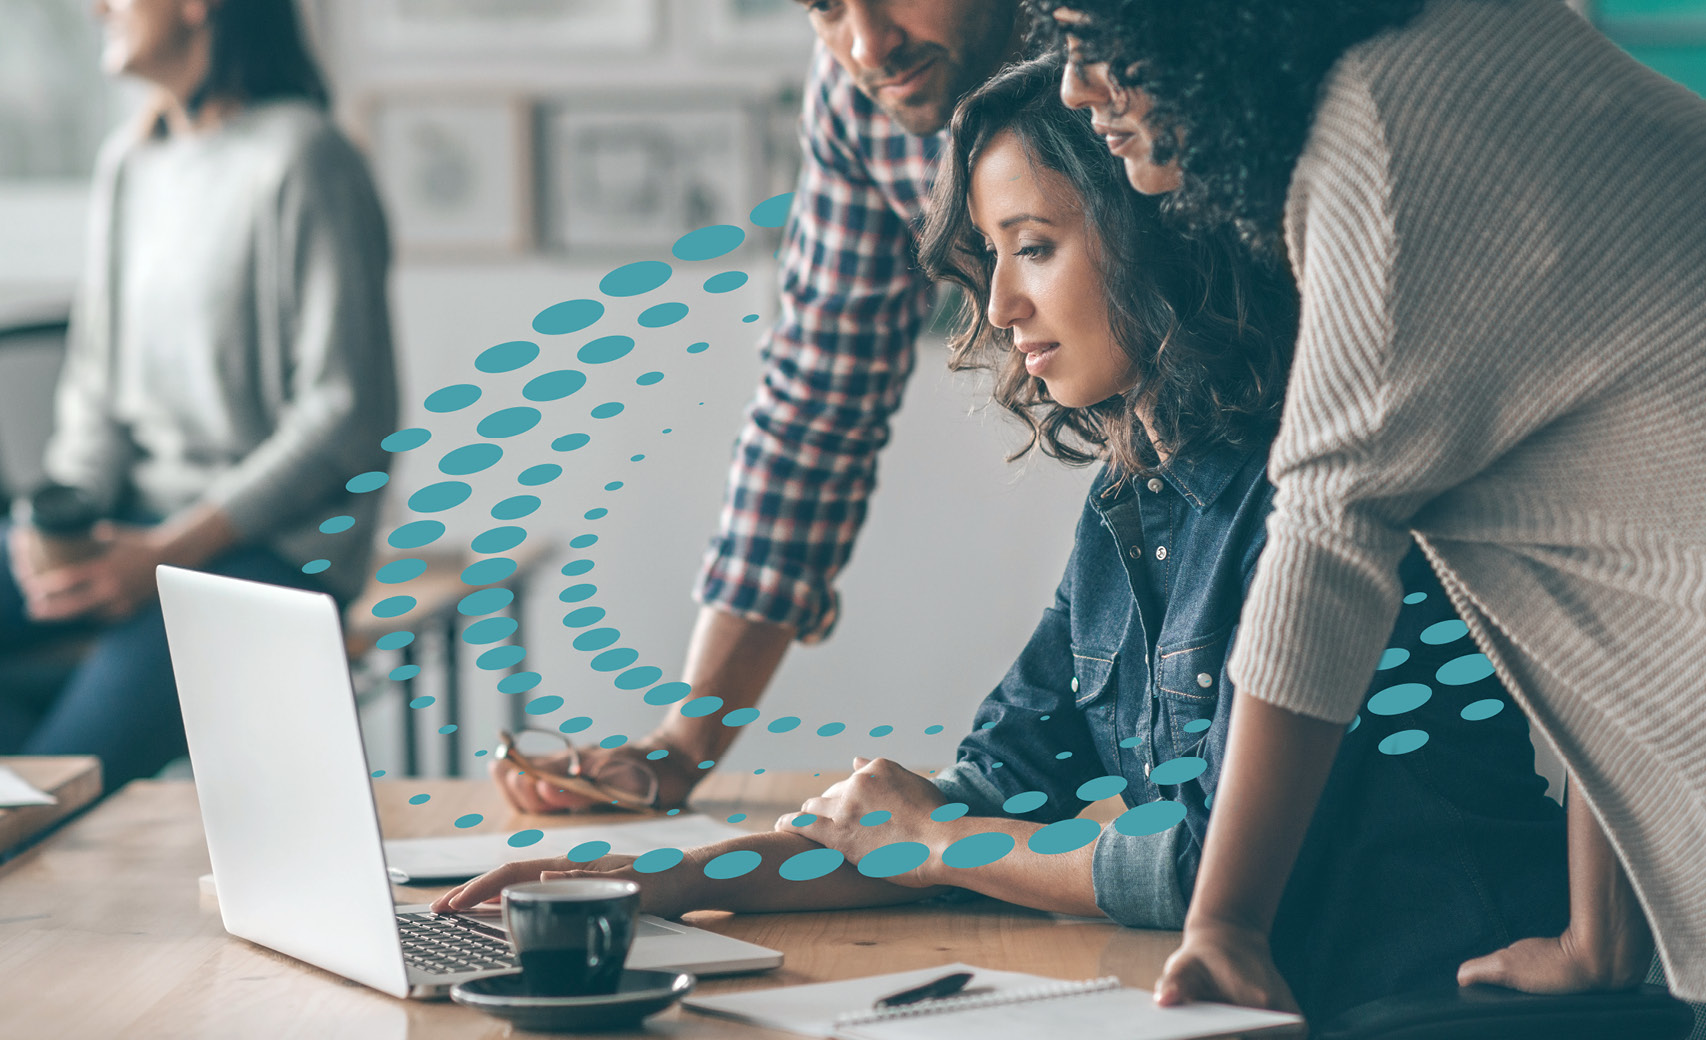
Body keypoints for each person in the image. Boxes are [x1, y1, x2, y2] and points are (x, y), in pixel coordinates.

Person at [440, 56, 1568, 1023]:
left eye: (1033, 247)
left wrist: (934, 839)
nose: (1000, 308)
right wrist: (652, 888)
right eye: (989, 263)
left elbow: (1193, 868)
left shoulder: (1308, 498)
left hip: (1422, 1011)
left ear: (1156, 229)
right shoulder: (1133, 501)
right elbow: (979, 806)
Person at [1022, 0, 1706, 1035]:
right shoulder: (1472, 54)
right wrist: (1602, 941)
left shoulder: (1388, 141)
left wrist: (1227, 927)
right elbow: (1603, 564)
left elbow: (1324, 549)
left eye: (1099, 37)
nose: (1076, 87)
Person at [492, 0, 1032, 815]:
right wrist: (680, 750)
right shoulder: (864, 94)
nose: (867, 45)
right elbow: (818, 400)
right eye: (822, 5)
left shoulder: (1139, 43)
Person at [0, 0, 396, 792]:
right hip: (131, 526)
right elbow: (96, 384)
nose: (99, 0)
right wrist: (60, 524)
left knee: (49, 781)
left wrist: (166, 551)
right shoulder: (131, 163)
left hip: (265, 557)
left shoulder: (307, 158)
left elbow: (345, 416)